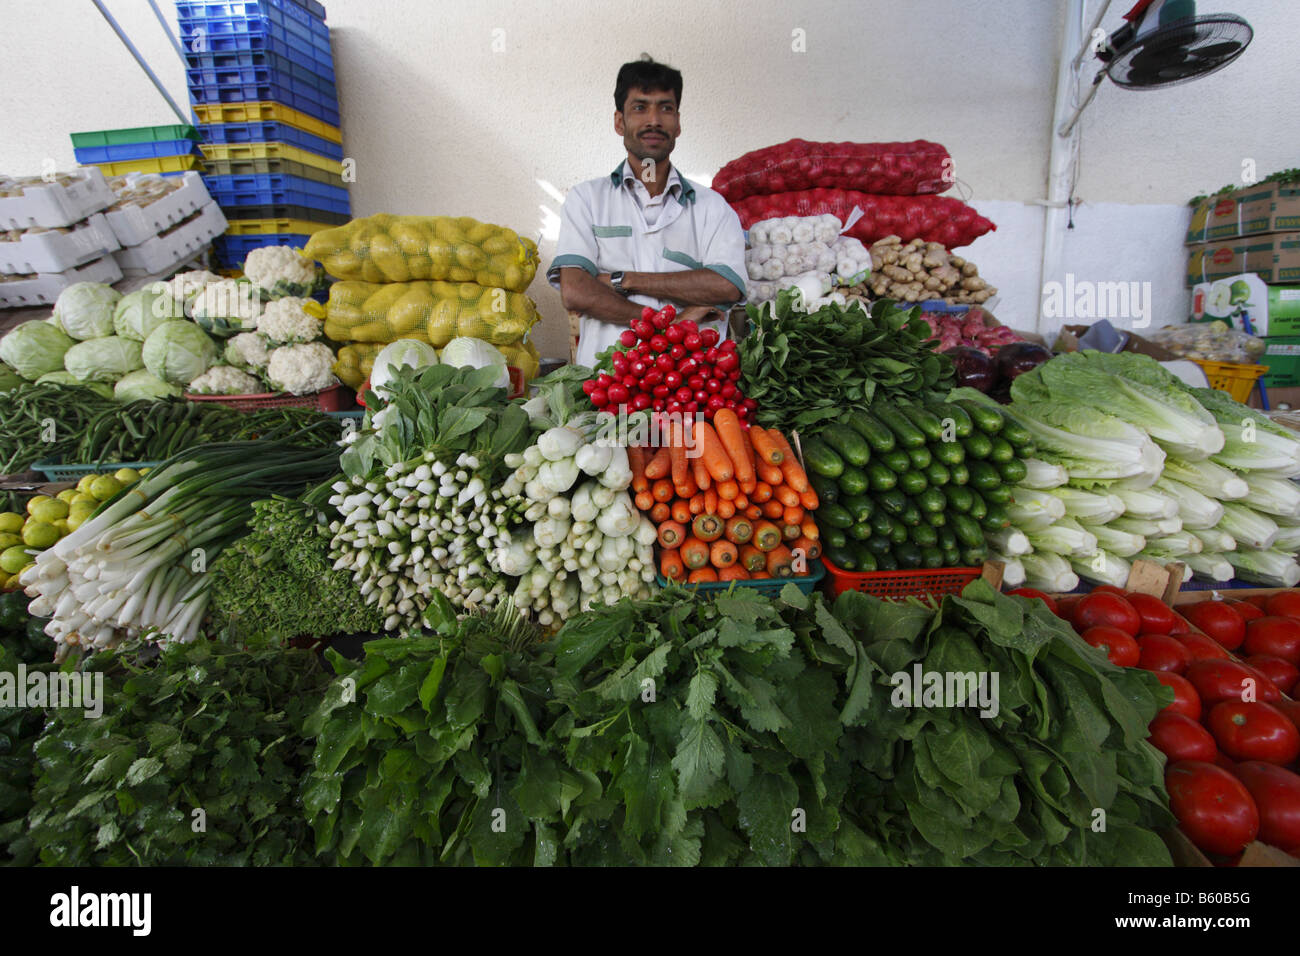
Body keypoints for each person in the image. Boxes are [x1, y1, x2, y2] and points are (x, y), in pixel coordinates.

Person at [548, 57, 747, 368]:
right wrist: (669, 323)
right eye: (640, 107)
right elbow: (575, 292)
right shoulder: (586, 199)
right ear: (619, 121)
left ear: (678, 123)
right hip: (608, 386)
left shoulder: (712, 207)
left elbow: (726, 286)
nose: (654, 120)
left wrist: (623, 279)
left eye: (665, 108)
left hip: (693, 387)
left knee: (686, 420)